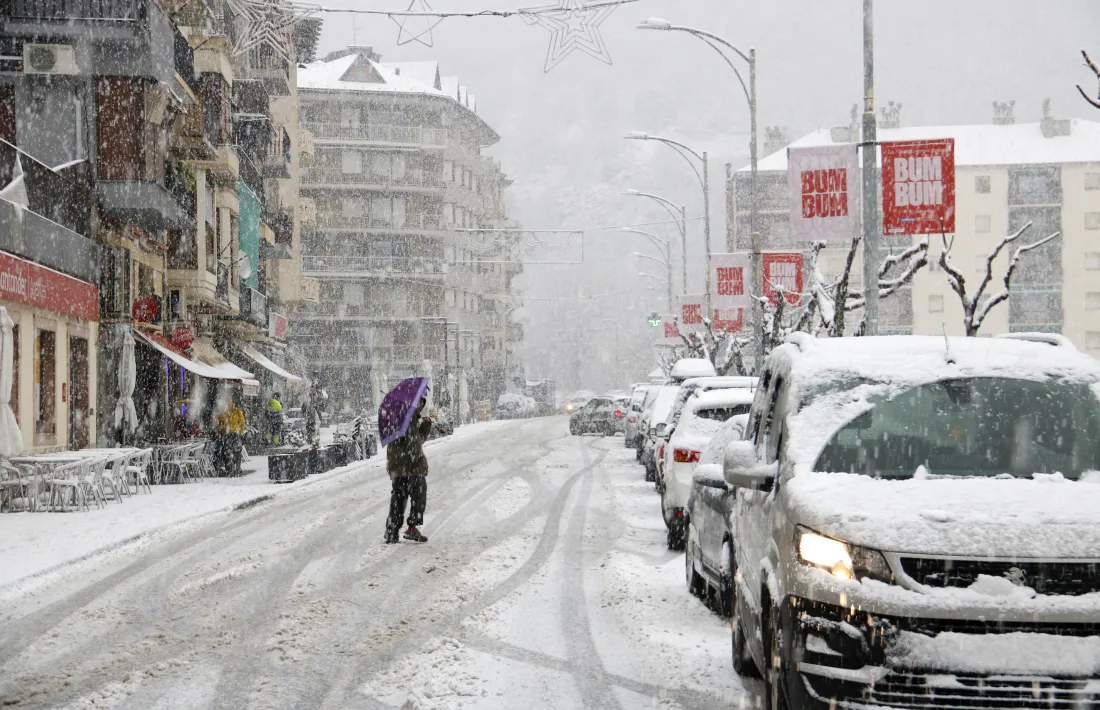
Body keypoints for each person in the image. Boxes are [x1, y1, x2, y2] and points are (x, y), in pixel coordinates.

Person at [384, 397, 434, 543]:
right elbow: (414, 445)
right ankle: (412, 527)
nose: (421, 405)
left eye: (422, 403)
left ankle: (391, 532)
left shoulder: (396, 416)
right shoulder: (409, 417)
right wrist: (425, 427)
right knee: (418, 495)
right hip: (411, 467)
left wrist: (423, 427)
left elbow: (409, 441)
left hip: (397, 466)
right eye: (418, 402)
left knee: (398, 499)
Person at [215, 395, 247, 476]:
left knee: (237, 452)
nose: (228, 404)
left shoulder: (237, 411)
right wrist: (219, 427)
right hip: (227, 435)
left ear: (233, 403)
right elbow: (219, 423)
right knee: (226, 452)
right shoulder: (224, 413)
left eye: (230, 402)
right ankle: (229, 469)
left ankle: (237, 469)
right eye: (227, 402)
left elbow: (242, 423)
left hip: (235, 435)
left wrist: (241, 433)